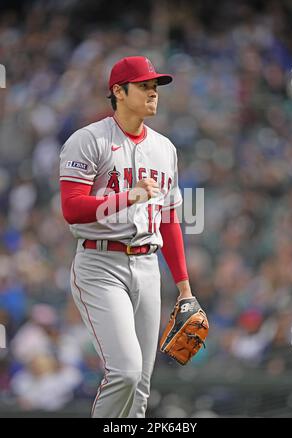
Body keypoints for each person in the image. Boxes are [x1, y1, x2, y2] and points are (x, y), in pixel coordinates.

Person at [59, 56, 195, 418]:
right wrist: (127, 196)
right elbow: (72, 208)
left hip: (148, 265)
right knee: (125, 372)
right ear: (118, 91)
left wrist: (184, 288)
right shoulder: (89, 140)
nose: (153, 93)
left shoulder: (165, 149)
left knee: (141, 387)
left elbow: (169, 219)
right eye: (144, 86)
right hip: (100, 263)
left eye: (156, 87)